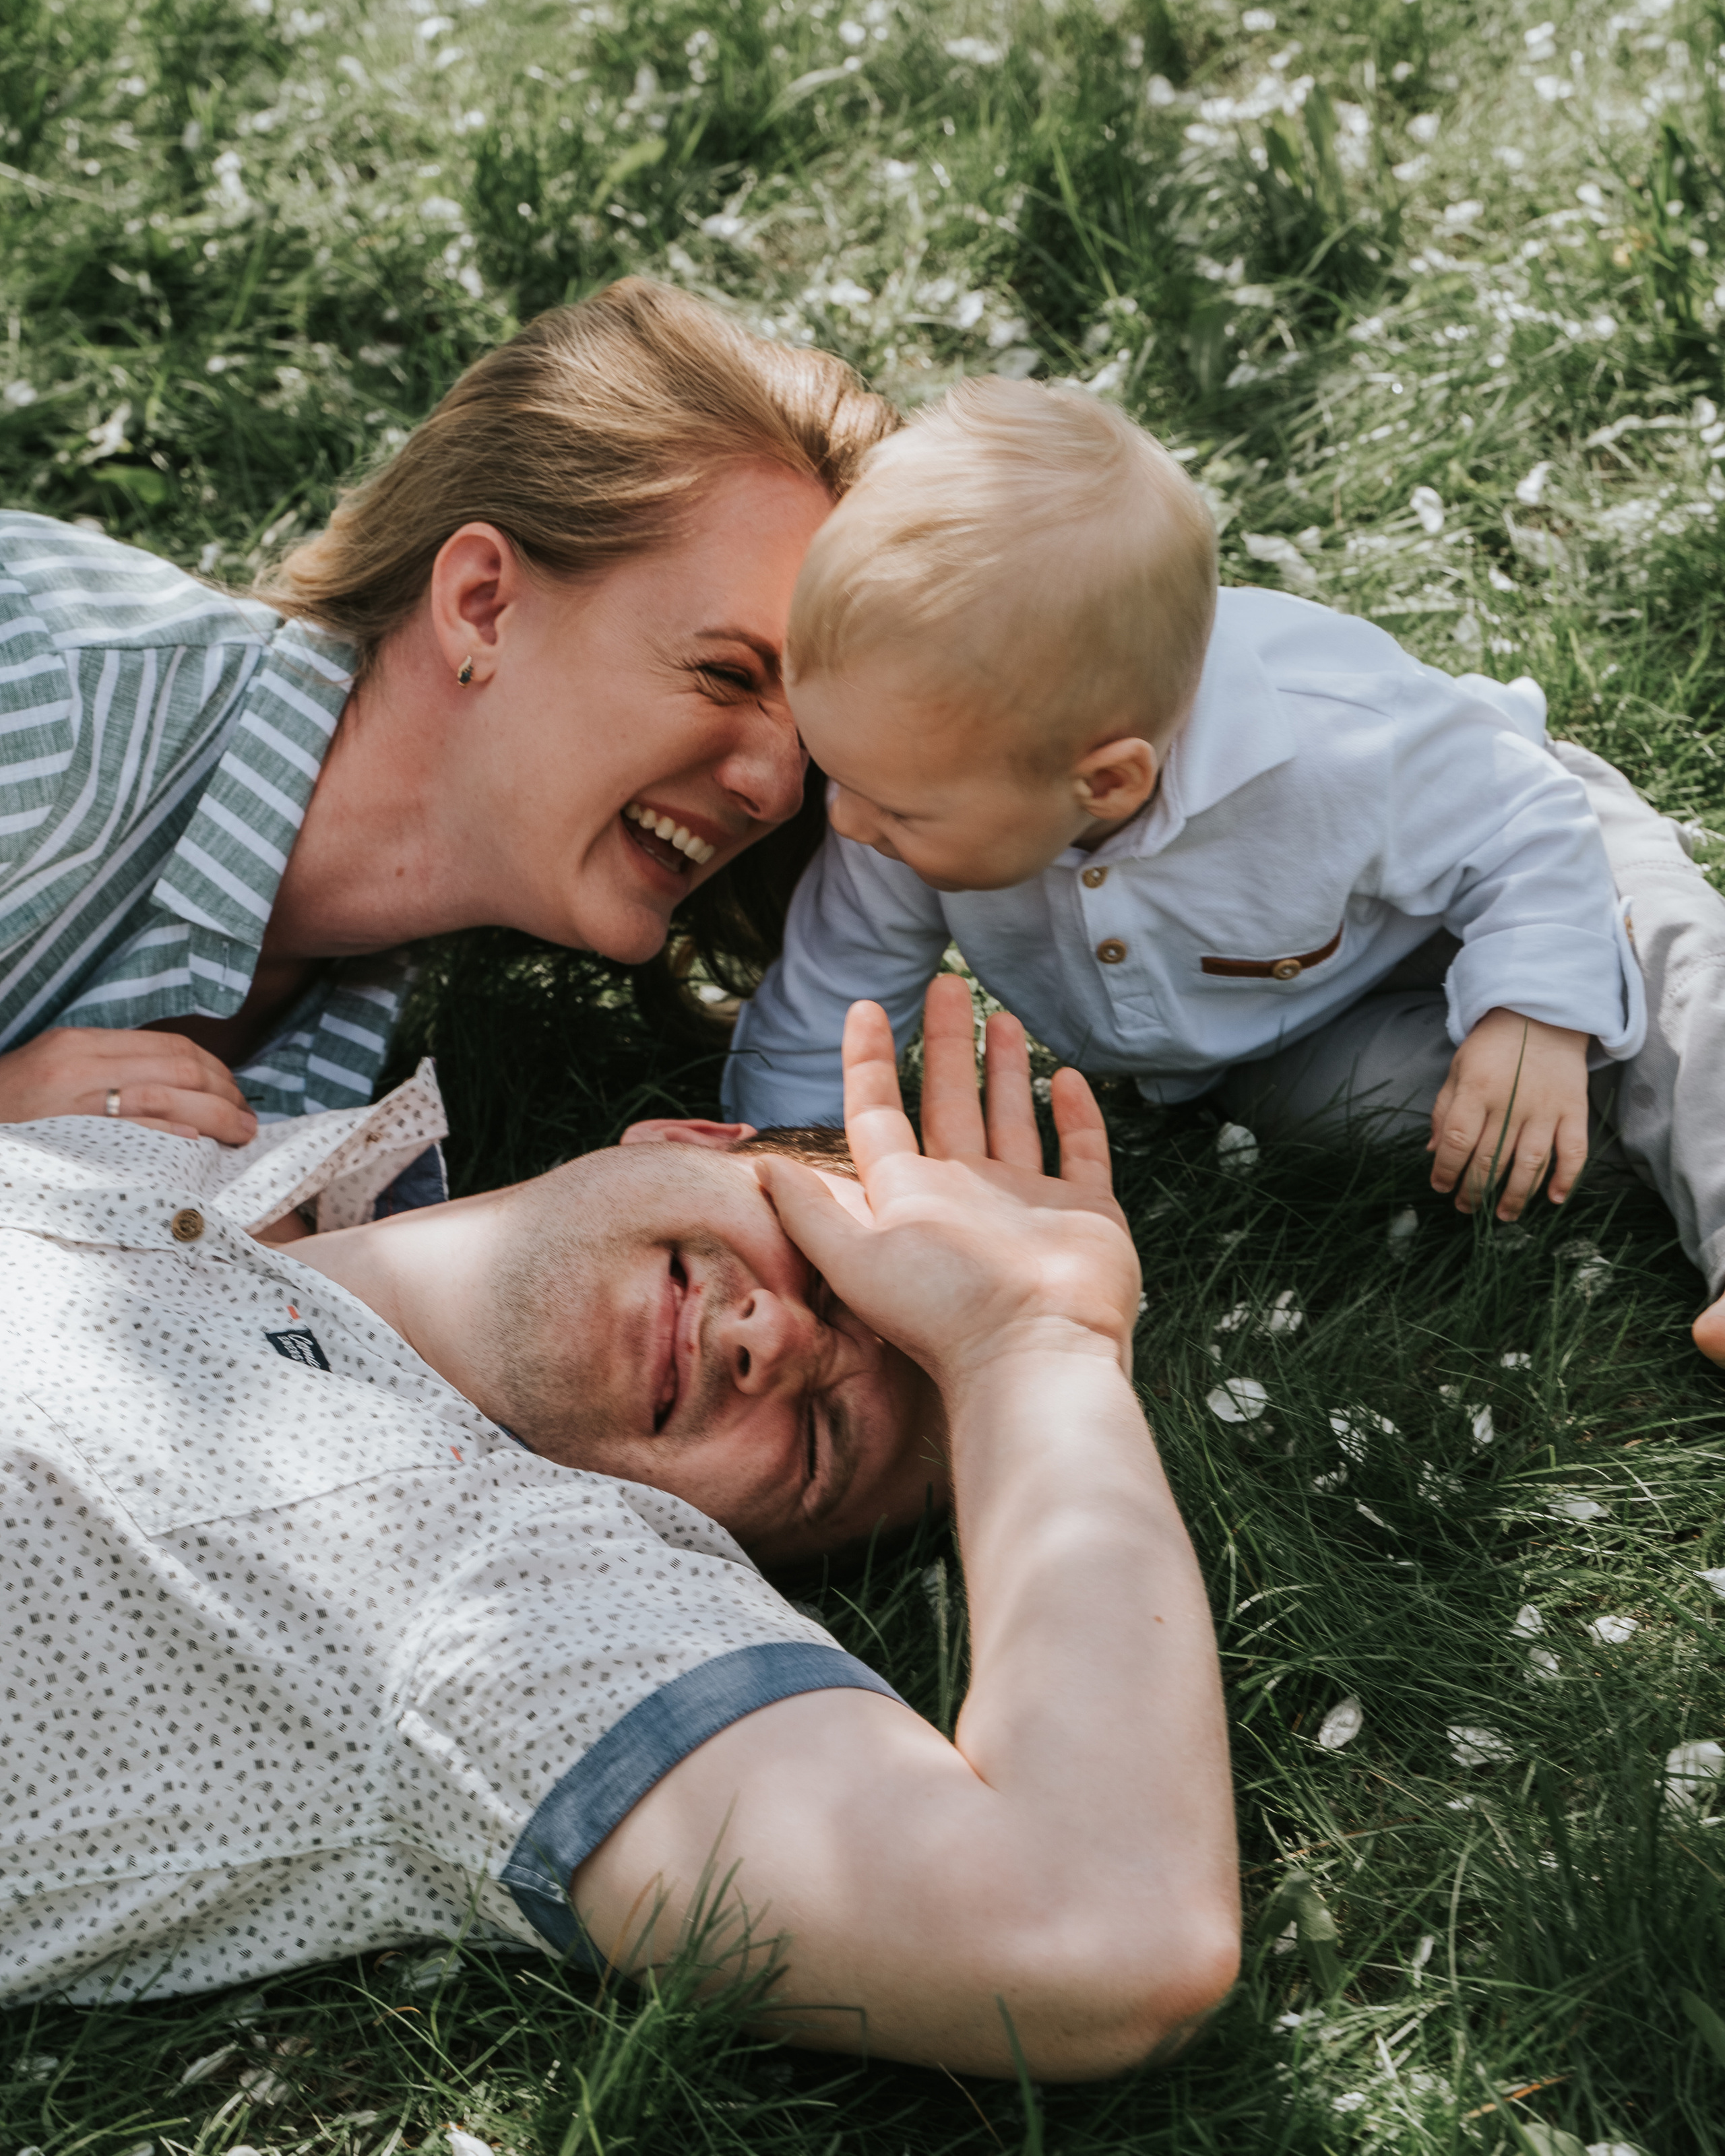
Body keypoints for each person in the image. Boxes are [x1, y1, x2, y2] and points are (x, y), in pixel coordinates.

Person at [0, 978, 1240, 2077]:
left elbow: (1104, 1927)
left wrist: (1032, 1350)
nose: (772, 1341)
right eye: (830, 1271)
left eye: (820, 1443)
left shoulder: (505, 1602)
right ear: (695, 1137)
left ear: (743, 1563)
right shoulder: (163, 1125)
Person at [723, 376, 1725, 1357]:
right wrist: (782, 1182)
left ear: (1106, 783)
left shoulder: (1334, 739)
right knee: (1359, 1111)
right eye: (836, 775)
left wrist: (1539, 1009)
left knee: (1672, 971)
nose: (844, 822)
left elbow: (1522, 819)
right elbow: (829, 1004)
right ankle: (1608, 1128)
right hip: (1290, 1020)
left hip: (1533, 850)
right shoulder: (900, 802)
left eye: (892, 805)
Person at [0, 278, 892, 1158]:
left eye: (812, 742)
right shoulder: (39, 681)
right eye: (728, 675)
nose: (778, 790)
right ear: (483, 604)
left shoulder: (355, 1052)